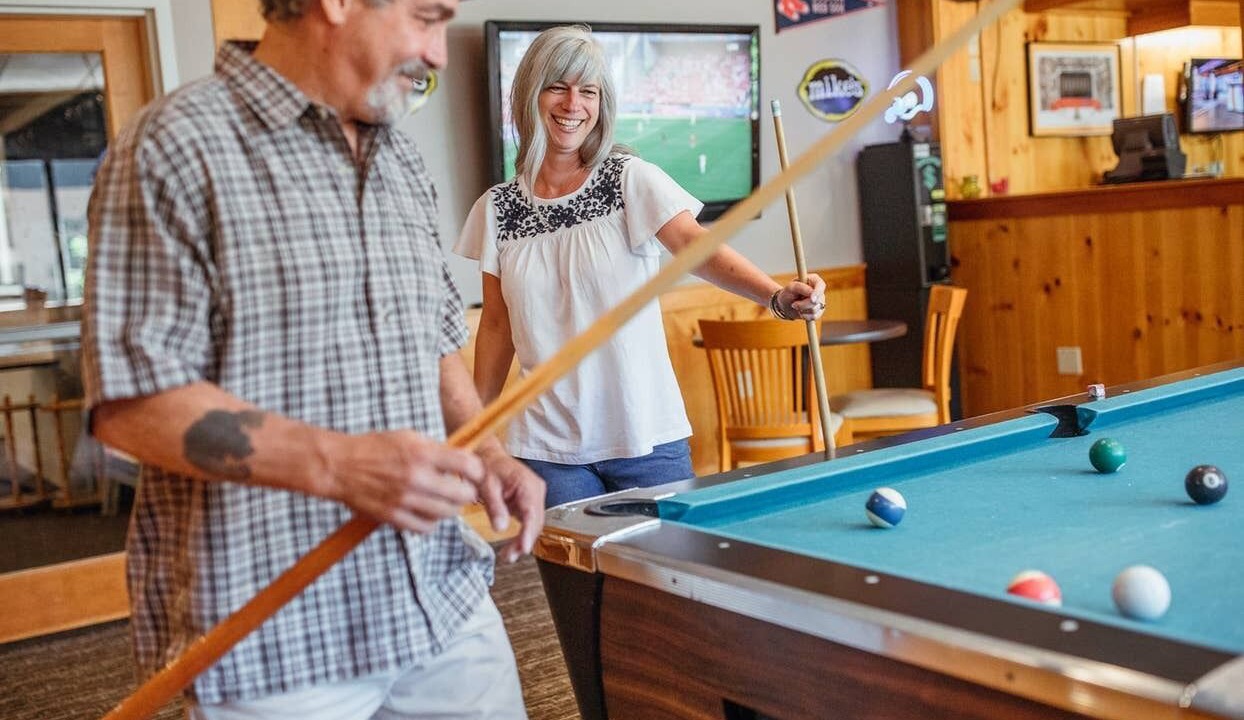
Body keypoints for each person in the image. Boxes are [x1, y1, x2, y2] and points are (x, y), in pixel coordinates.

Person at [82, 1, 544, 718]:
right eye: (426, 17)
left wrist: (486, 448)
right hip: (272, 636)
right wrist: (339, 464)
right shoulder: (172, 147)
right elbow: (131, 408)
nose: (439, 51)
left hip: (435, 593)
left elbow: (432, 339)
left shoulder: (402, 158)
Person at [455, 25, 826, 509]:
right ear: (530, 94)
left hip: (646, 437)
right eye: (558, 86)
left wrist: (776, 298)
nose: (573, 104)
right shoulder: (497, 209)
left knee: (662, 581)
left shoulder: (630, 179)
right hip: (545, 448)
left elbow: (698, 247)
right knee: (576, 585)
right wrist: (474, 433)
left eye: (588, 91)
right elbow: (499, 325)